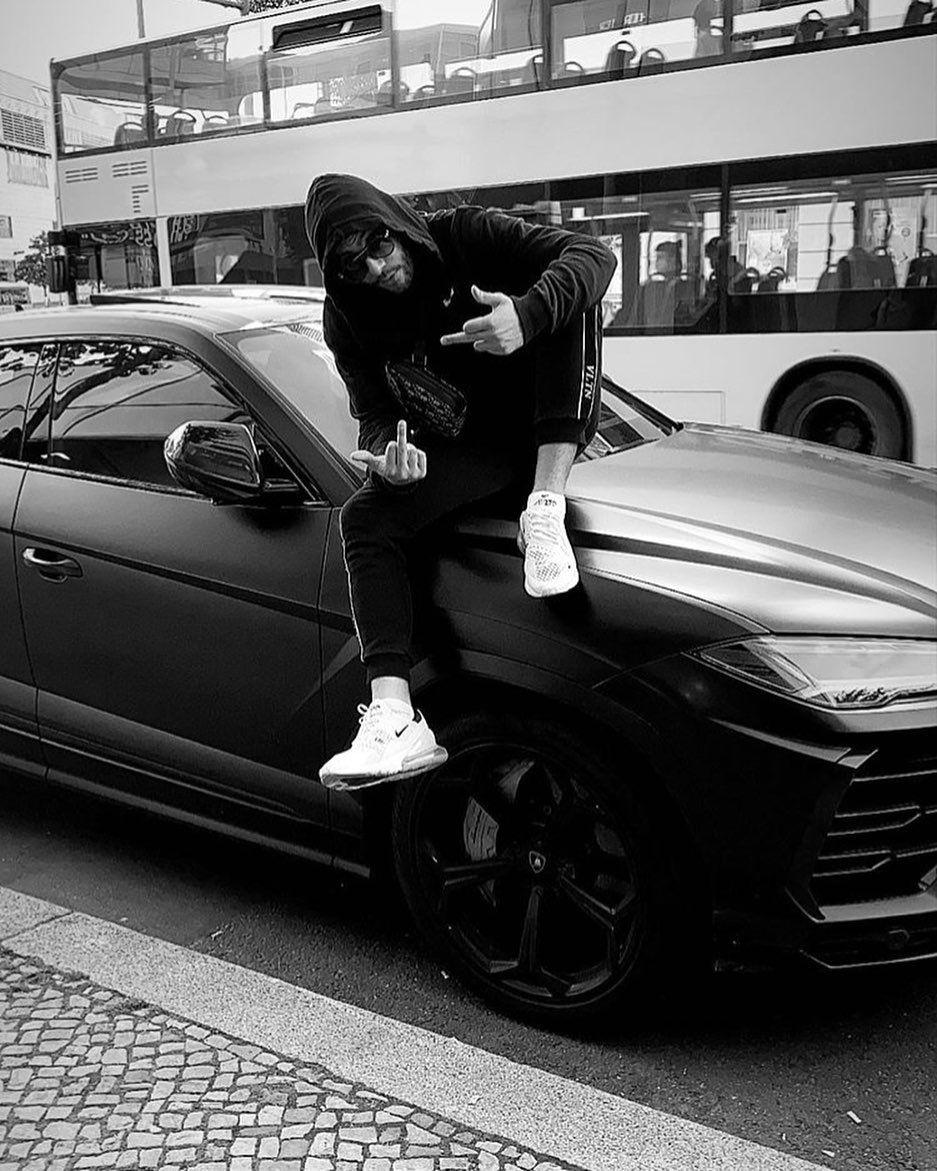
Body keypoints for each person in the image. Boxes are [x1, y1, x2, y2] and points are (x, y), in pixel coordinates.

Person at [305, 173, 615, 791]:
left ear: (396, 226)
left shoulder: (466, 236)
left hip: (545, 424)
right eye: (354, 267)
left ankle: (544, 509)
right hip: (471, 449)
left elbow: (595, 255)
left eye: (378, 247)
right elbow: (373, 413)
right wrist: (392, 456)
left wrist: (526, 316)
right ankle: (395, 717)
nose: (375, 269)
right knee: (364, 516)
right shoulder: (346, 319)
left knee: (573, 296)